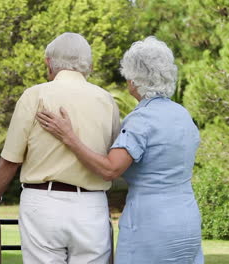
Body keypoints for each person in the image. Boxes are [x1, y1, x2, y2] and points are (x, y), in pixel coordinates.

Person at [36, 36, 204, 264]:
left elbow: (110, 169)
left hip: (151, 223)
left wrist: (69, 136)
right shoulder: (182, 115)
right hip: (187, 218)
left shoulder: (142, 119)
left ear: (134, 79)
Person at [0, 32, 120, 264]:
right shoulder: (106, 100)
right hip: (92, 206)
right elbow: (113, 158)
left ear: (48, 62)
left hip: (43, 203)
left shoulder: (35, 96)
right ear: (88, 64)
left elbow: (11, 160)